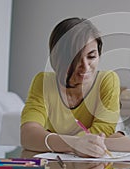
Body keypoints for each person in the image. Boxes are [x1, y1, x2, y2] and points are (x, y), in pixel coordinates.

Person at [20, 17, 120, 157]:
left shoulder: (107, 81)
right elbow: (28, 135)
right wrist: (74, 144)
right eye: (75, 59)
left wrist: (57, 141)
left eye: (91, 56)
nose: (85, 67)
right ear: (57, 58)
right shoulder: (43, 82)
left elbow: (104, 131)